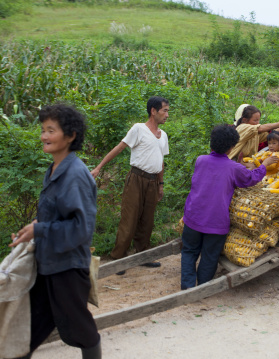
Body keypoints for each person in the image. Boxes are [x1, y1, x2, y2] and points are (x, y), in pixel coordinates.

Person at [10, 104, 101, 358]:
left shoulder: (76, 175)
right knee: (32, 326)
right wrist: (31, 232)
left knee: (81, 329)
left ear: (70, 136)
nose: (44, 136)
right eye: (43, 130)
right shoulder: (54, 171)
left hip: (68, 269)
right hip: (49, 263)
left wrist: (40, 230)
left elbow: (81, 228)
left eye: (51, 130)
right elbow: (53, 216)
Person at [181, 124, 279, 289]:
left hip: (193, 216)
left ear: (211, 143)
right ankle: (202, 288)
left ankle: (187, 287)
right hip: (216, 221)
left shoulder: (200, 160)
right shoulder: (234, 168)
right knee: (209, 256)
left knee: (189, 252)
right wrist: (264, 165)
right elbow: (251, 178)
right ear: (232, 147)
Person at [90, 96, 170, 274]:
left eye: (168, 111)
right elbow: (119, 148)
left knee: (147, 220)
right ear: (153, 111)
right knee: (130, 218)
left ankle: (142, 255)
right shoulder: (138, 129)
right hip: (136, 179)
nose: (167, 115)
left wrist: (161, 184)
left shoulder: (163, 135)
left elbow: (161, 161)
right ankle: (118, 259)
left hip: (153, 181)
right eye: (165, 110)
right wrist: (99, 167)